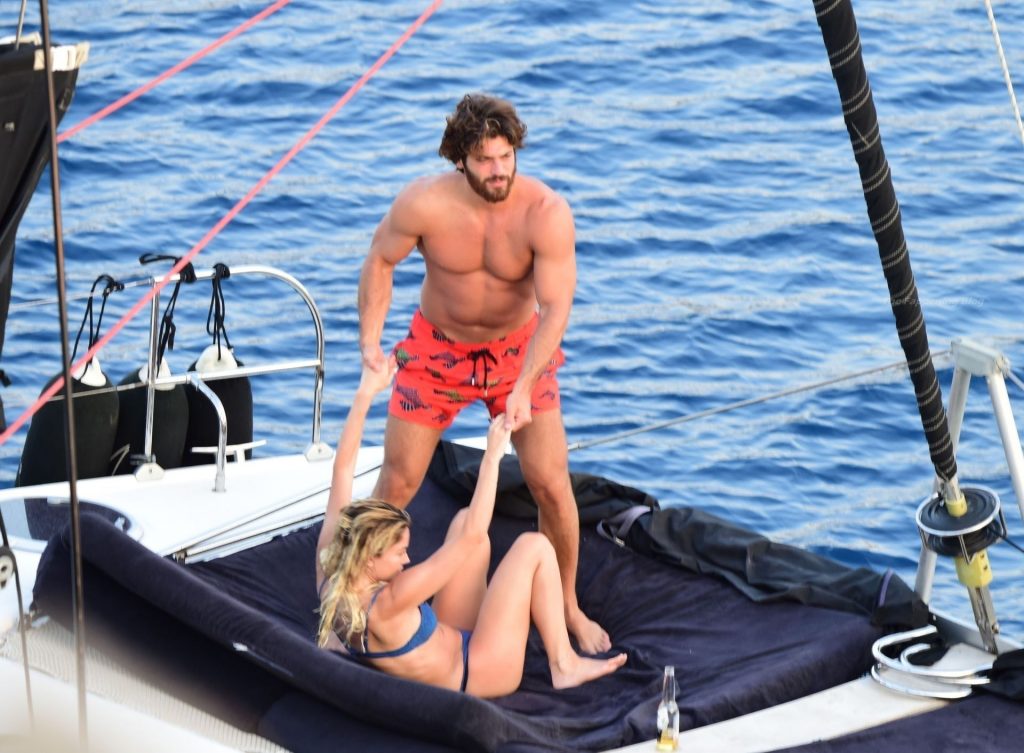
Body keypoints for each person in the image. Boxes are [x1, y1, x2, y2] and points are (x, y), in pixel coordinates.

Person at [358, 92, 610, 653]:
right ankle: (353, 596)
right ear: (460, 160)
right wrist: (371, 344)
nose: (498, 171)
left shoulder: (545, 212)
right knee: (397, 481)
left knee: (551, 484)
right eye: (484, 160)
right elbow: (380, 260)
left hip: (519, 352)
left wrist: (523, 387)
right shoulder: (424, 203)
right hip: (437, 349)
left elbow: (557, 307)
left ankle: (566, 606)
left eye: (505, 157)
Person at [315, 360, 626, 697]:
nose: (406, 559)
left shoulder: (330, 573)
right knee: (534, 546)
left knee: (465, 518)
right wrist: (493, 452)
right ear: (369, 558)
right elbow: (474, 536)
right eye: (399, 552)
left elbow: (342, 469)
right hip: (480, 672)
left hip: (446, 642)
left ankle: (510, 619)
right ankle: (564, 665)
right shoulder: (393, 598)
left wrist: (366, 391)